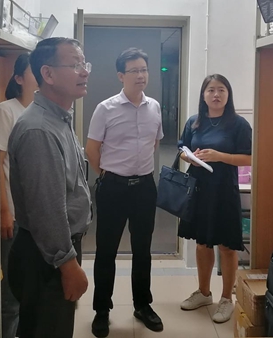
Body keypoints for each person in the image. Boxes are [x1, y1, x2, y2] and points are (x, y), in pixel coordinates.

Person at [7, 37, 92, 338]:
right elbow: (47, 210)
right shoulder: (39, 129)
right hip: (46, 257)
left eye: (84, 64)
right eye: (75, 64)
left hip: (55, 250)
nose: (84, 71)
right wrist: (67, 265)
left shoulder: (59, 118)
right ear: (48, 74)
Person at [86, 48, 164, 337]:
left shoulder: (154, 107)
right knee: (106, 251)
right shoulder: (105, 108)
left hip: (145, 187)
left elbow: (155, 143)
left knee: (143, 250)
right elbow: (92, 149)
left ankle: (142, 305)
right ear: (121, 75)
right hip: (113, 188)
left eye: (144, 69)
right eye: (134, 71)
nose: (141, 75)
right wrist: (108, 174)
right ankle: (101, 310)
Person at [178, 74, 252, 324]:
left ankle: (226, 299)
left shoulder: (238, 124)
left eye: (221, 90)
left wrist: (220, 156)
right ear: (203, 95)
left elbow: (250, 157)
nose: (216, 94)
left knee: (226, 246)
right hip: (199, 190)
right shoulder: (194, 122)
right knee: (202, 244)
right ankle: (204, 292)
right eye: (211, 90)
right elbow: (182, 149)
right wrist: (190, 157)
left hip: (224, 191)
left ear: (228, 95)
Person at [0, 53, 39, 338]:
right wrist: (4, 210)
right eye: (32, 71)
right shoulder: (7, 111)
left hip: (39, 214)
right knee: (12, 289)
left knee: (35, 286)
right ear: (19, 79)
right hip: (14, 213)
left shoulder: (44, 111)